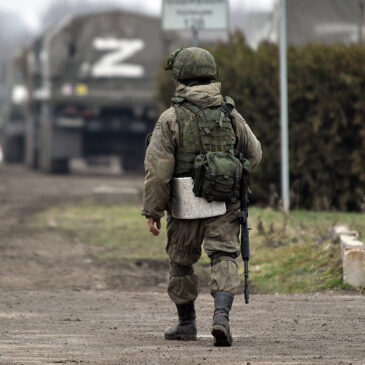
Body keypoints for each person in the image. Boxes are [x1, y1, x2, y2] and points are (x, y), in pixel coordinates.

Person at [142, 47, 262, 346]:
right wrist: (230, 173)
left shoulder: (170, 118)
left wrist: (153, 210)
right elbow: (254, 153)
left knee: (181, 261)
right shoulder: (230, 113)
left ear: (180, 77)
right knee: (223, 255)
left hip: (185, 204)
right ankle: (221, 318)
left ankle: (186, 324)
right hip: (225, 201)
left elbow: (158, 171)